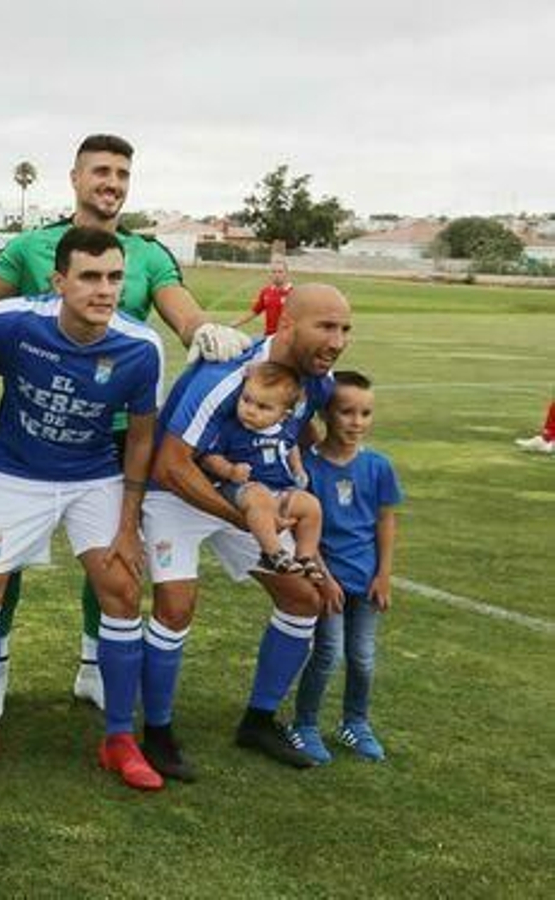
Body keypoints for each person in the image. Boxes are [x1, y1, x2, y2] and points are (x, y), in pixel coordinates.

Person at [0, 133, 252, 724]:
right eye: (100, 172)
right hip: (38, 424)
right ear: (75, 178)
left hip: (118, 430)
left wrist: (203, 331)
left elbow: (181, 310)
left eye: (121, 174)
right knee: (4, 560)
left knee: (113, 557)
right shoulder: (33, 246)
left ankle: (93, 667)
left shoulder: (148, 253)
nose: (111, 183)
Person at [0, 227, 166, 790]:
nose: (105, 289)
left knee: (122, 589)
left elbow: (141, 437)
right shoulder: (15, 320)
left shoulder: (140, 346)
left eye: (114, 277)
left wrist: (128, 523)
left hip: (94, 476)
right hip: (15, 471)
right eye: (90, 277)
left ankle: (119, 738)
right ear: (59, 282)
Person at [141, 284, 352, 779]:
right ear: (286, 325)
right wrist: (246, 520)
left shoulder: (317, 381)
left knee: (303, 598)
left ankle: (258, 722)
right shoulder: (227, 376)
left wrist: (294, 489)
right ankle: (157, 732)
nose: (338, 341)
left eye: (345, 329)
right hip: (177, 492)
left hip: (252, 494)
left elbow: (300, 429)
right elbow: (171, 465)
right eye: (326, 327)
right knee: (176, 605)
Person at [291, 371, 404, 763]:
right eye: (347, 412)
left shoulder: (378, 466)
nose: (357, 422)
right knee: (328, 653)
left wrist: (383, 575)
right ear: (325, 414)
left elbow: (385, 521)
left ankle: (355, 722)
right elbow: (304, 531)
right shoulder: (308, 468)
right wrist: (323, 579)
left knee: (363, 657)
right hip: (327, 582)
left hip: (366, 581)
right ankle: (304, 725)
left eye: (365, 413)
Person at [196, 361, 325, 576]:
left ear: (283, 415)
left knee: (311, 505)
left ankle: (305, 557)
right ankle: (271, 554)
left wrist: (298, 469)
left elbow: (291, 447)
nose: (250, 410)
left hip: (279, 489)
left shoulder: (285, 429)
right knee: (259, 496)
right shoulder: (231, 429)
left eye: (263, 407)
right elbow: (209, 457)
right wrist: (230, 470)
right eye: (246, 400)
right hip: (242, 489)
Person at [233, 259, 292, 335]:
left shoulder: (293, 293)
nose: (277, 275)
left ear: (286, 274)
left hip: (285, 337)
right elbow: (255, 312)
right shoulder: (266, 292)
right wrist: (236, 323)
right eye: (273, 272)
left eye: (280, 272)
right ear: (270, 274)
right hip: (269, 335)